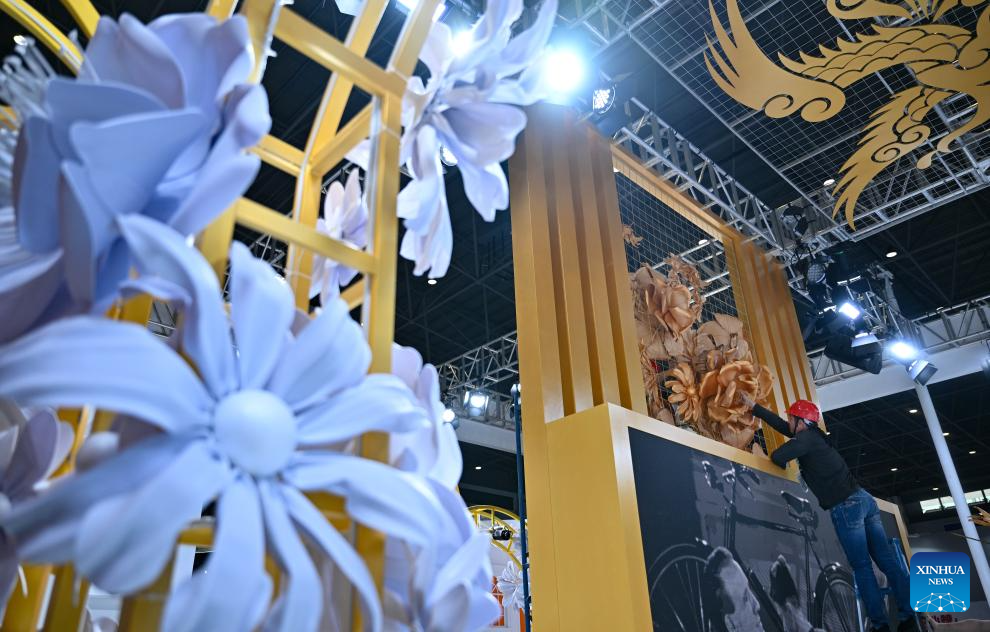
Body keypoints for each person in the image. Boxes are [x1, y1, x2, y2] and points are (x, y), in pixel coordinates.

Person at [740, 395, 916, 632]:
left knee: (863, 567)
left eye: (791, 418)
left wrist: (782, 463)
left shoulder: (805, 440)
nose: (788, 421)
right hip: (865, 500)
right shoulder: (814, 437)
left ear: (801, 421)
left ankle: (880, 625)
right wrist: (755, 408)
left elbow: (778, 456)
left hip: (847, 507)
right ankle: (909, 618)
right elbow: (783, 428)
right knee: (887, 562)